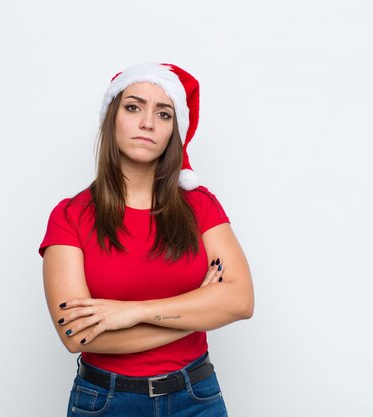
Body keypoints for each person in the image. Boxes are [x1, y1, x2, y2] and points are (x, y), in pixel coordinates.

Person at [39, 62, 254, 416]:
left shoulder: (200, 206)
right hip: (105, 402)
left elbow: (241, 301)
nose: (148, 123)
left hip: (196, 398)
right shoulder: (70, 216)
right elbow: (76, 336)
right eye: (133, 107)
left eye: (164, 114)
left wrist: (129, 313)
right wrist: (199, 307)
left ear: (175, 130)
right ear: (112, 117)